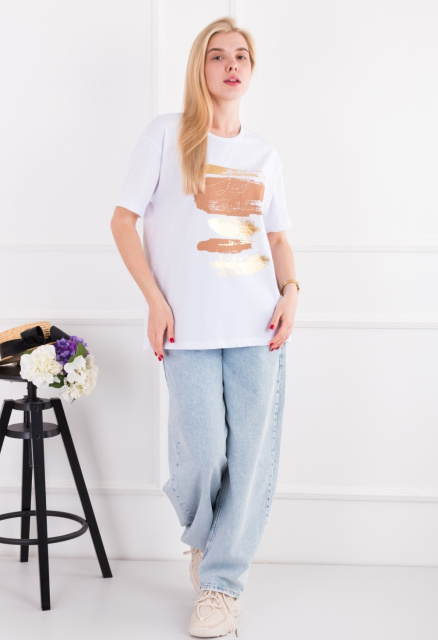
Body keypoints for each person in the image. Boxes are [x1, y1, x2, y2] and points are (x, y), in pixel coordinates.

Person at [111, 15, 299, 639]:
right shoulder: (167, 135)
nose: (231, 64)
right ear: (200, 66)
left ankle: (221, 585)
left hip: (258, 327)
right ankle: (205, 539)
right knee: (205, 450)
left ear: (252, 68)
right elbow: (122, 222)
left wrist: (292, 293)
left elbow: (277, 238)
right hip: (186, 328)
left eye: (241, 55)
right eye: (218, 55)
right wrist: (154, 300)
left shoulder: (264, 153)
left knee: (250, 460)